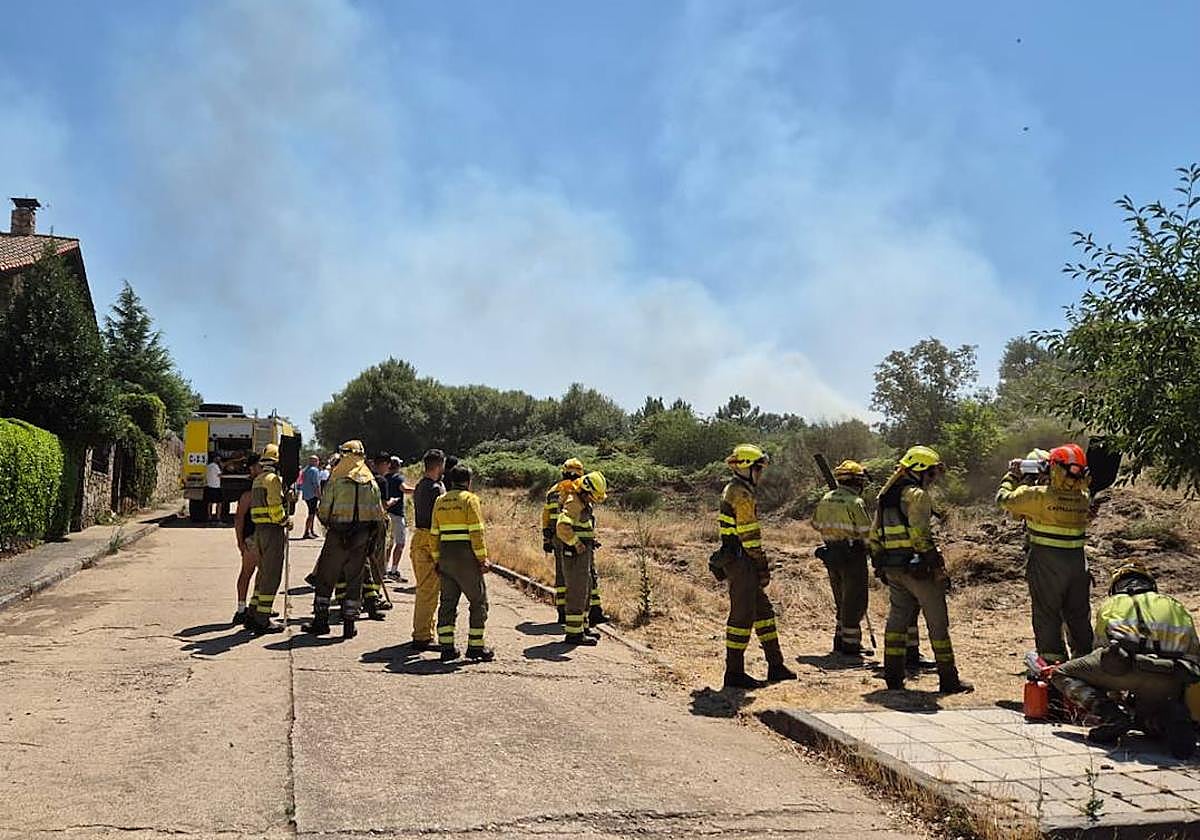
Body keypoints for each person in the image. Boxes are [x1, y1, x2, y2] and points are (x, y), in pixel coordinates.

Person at [1051, 562, 1200, 758]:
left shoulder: (1111, 605)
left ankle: (1112, 716)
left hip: (1126, 670)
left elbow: (1103, 653)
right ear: (1150, 584)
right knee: (1149, 717)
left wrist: (1114, 698)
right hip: (1170, 676)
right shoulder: (1174, 605)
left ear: (1115, 587)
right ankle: (1168, 719)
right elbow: (1193, 653)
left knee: (1061, 673)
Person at [869, 445, 972, 694]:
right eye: (933, 473)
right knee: (938, 623)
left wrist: (880, 563)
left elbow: (874, 536)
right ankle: (949, 679)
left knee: (897, 621)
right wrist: (934, 562)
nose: (934, 478)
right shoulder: (916, 496)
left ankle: (893, 677)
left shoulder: (886, 496)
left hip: (893, 569)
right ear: (922, 471)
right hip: (918, 570)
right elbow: (920, 534)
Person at [709, 445, 797, 688]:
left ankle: (776, 666)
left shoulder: (737, 489)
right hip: (742, 561)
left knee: (765, 613)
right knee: (742, 616)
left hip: (738, 558)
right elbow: (750, 536)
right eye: (758, 468)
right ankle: (734, 673)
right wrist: (761, 565)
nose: (761, 473)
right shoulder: (742, 494)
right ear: (747, 468)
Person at [997, 443, 1093, 665]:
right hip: (1078, 564)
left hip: (1047, 563)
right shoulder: (1083, 498)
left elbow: (1003, 499)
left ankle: (1053, 666)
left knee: (1047, 614)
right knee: (1078, 615)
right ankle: (1086, 664)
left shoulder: (1038, 497)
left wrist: (1012, 475)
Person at [302, 440, 385, 639]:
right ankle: (349, 625)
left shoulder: (336, 479)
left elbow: (323, 510)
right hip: (361, 538)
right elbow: (378, 513)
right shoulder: (370, 480)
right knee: (354, 579)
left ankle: (321, 622)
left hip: (338, 534)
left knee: (326, 577)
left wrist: (329, 525)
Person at [432, 464, 494, 662]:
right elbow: (476, 531)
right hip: (466, 555)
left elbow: (434, 534)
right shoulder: (470, 500)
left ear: (450, 481)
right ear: (468, 481)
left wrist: (436, 559)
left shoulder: (440, 501)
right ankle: (475, 647)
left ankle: (447, 648)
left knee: (447, 603)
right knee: (478, 601)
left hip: (446, 555)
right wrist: (482, 559)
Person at [812, 460, 873, 658]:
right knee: (854, 601)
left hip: (831, 554)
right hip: (853, 556)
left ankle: (839, 641)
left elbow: (815, 524)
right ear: (858, 481)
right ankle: (851, 646)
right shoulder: (855, 502)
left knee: (841, 599)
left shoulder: (826, 498)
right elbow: (866, 533)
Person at [556, 471, 609, 646]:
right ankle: (573, 634)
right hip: (575, 554)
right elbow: (562, 526)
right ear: (585, 491)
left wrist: (589, 540)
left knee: (585, 589)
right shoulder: (573, 503)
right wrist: (577, 543)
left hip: (583, 552)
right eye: (593, 497)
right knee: (577, 591)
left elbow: (581, 526)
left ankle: (582, 628)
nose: (594, 500)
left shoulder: (582, 501)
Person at [247, 443, 291, 634]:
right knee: (272, 575)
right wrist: (285, 521)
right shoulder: (273, 480)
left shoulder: (258, 479)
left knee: (262, 574)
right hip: (272, 530)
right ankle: (262, 620)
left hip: (259, 530)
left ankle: (253, 612)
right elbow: (274, 507)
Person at [408, 449, 447, 650]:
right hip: (430, 540)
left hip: (419, 538)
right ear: (439, 465)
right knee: (428, 591)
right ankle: (422, 636)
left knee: (426, 589)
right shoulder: (435, 489)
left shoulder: (420, 486)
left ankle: (424, 631)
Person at [542, 458, 585, 624]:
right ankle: (580, 615)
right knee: (578, 575)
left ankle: (562, 612)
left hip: (556, 537)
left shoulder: (553, 490)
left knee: (561, 574)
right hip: (575, 536)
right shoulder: (576, 490)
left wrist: (546, 537)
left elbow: (546, 516)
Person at [232, 453, 261, 625]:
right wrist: (240, 541)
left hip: (264, 539)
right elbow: (239, 518)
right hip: (252, 539)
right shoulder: (248, 494)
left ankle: (256, 606)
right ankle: (241, 609)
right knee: (247, 573)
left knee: (263, 575)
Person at [386, 456, 410, 582]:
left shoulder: (384, 478)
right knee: (400, 543)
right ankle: (394, 571)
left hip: (386, 513)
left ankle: (384, 568)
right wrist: (418, 490)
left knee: (388, 543)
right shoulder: (398, 478)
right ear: (398, 466)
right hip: (397, 514)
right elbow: (404, 489)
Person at [298, 455, 323, 539]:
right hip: (313, 495)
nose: (317, 462)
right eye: (316, 461)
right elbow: (316, 484)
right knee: (311, 514)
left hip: (306, 494)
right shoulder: (314, 470)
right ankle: (306, 532)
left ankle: (311, 531)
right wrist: (319, 495)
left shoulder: (305, 470)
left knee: (311, 512)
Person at [205, 454, 224, 524]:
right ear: (215, 459)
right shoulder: (215, 466)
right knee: (219, 503)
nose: (219, 459)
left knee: (210, 503)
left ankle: (209, 517)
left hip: (209, 486)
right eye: (218, 458)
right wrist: (222, 468)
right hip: (216, 487)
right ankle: (218, 518)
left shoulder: (208, 466)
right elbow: (220, 475)